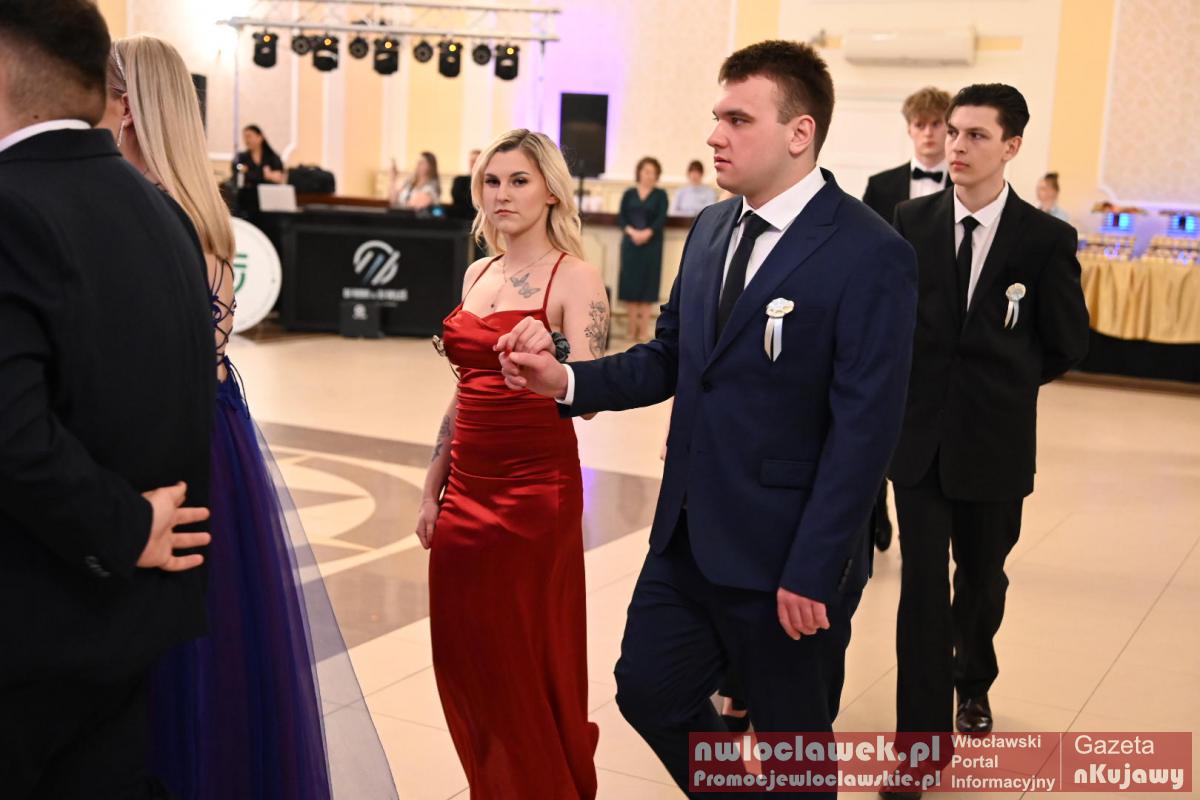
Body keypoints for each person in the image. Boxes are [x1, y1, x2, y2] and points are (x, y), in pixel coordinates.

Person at [499, 41, 918, 799]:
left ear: (800, 132)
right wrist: (568, 379)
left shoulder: (870, 252)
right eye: (717, 117)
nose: (714, 135)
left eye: (737, 119)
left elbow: (866, 430)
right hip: (689, 536)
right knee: (648, 690)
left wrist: (814, 568)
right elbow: (670, 355)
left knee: (793, 749)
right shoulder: (713, 229)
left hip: (789, 552)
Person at [101, 34, 396, 800]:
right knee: (224, 636)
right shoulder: (205, 211)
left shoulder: (137, 212)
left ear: (127, 107)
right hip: (220, 426)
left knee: (169, 639)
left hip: (171, 434)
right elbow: (213, 338)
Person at [0, 3, 215, 797]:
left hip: (30, 621)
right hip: (129, 619)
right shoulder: (161, 211)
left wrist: (123, 527)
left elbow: (12, 433)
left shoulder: (11, 205)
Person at [883, 84, 1089, 800]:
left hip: (995, 445)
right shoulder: (910, 221)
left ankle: (973, 679)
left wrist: (1005, 383)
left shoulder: (1044, 239)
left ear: (1012, 146)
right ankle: (918, 750)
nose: (957, 146)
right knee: (920, 591)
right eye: (954, 132)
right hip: (919, 443)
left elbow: (1068, 342)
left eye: (975, 135)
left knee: (980, 581)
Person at [418, 129, 609, 797]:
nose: (502, 194)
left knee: (523, 656)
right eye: (491, 181)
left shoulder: (575, 276)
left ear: (551, 189)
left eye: (519, 180)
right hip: (465, 489)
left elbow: (591, 396)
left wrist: (551, 353)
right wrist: (432, 487)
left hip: (534, 495)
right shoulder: (478, 274)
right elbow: (463, 390)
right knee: (465, 655)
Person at [860, 86, 951, 552]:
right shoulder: (881, 185)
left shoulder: (967, 185)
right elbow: (862, 251)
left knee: (920, 424)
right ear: (910, 129)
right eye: (921, 125)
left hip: (942, 326)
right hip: (886, 319)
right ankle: (875, 508)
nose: (929, 133)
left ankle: (921, 510)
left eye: (937, 124)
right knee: (874, 417)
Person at [618, 156, 669, 341]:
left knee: (648, 287)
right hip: (630, 245)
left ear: (657, 175)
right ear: (639, 172)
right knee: (630, 287)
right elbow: (622, 217)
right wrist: (632, 232)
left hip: (652, 245)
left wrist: (647, 233)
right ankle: (631, 330)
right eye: (646, 171)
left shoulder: (661, 195)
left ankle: (643, 331)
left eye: (653, 172)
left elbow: (661, 218)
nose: (649, 175)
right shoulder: (629, 193)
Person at [232, 123, 285, 215]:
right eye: (244, 137)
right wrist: (266, 176)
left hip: (268, 201)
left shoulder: (272, 157)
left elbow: (279, 177)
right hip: (247, 201)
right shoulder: (242, 157)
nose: (246, 140)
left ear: (260, 137)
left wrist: (249, 172)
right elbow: (237, 172)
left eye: (249, 136)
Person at [449, 147, 481, 219]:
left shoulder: (486, 182)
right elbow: (457, 198)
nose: (473, 164)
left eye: (475, 161)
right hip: (460, 217)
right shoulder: (459, 180)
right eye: (471, 161)